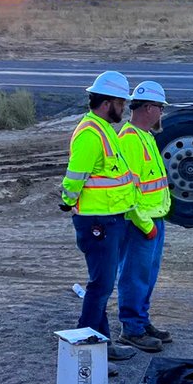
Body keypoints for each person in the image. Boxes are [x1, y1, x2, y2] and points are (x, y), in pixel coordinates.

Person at [59, 70, 154, 363]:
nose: (124, 108)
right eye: (121, 103)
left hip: (110, 220)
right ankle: (84, 349)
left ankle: (102, 346)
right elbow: (75, 176)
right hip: (97, 222)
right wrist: (68, 200)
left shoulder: (102, 129)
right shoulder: (91, 134)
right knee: (99, 287)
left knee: (101, 285)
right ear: (107, 102)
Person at [117, 81, 173, 351]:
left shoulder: (144, 137)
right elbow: (126, 192)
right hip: (140, 224)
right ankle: (132, 328)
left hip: (152, 220)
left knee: (147, 275)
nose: (161, 113)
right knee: (134, 275)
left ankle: (141, 320)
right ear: (149, 108)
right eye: (160, 108)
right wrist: (145, 224)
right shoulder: (129, 140)